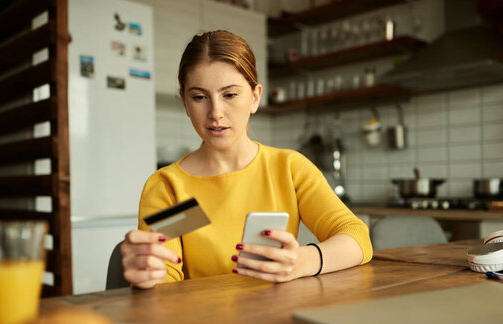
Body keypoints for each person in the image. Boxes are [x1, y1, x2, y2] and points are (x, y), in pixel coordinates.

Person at [121, 30, 372, 289]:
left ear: (254, 97)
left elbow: (356, 236)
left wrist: (303, 261)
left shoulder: (289, 169)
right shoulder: (170, 187)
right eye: (199, 97)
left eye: (229, 95)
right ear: (185, 103)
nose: (216, 113)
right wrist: (147, 274)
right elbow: (164, 279)